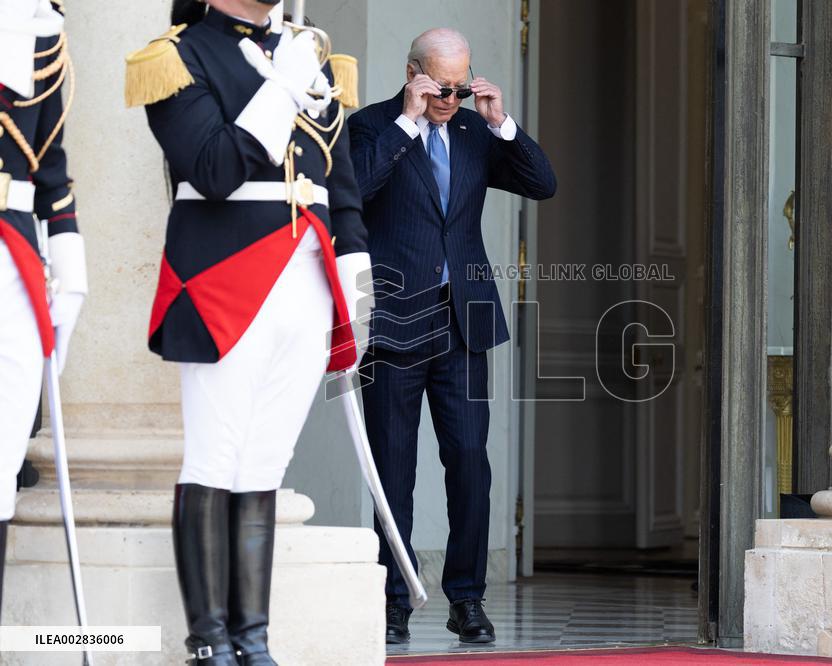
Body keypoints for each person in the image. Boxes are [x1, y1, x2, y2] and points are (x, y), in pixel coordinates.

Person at [126, 1, 370, 663]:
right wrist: (283, 85)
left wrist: (358, 276)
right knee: (215, 454)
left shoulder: (312, 51)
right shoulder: (176, 57)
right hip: (224, 277)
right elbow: (213, 171)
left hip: (308, 277)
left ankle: (252, 640)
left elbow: (339, 182)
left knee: (265, 462)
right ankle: (208, 642)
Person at [348, 27, 556, 645]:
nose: (450, 99)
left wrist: (501, 123)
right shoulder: (371, 126)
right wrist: (407, 124)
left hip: (463, 321)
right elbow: (352, 192)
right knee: (394, 466)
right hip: (393, 320)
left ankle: (467, 598)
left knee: (469, 461)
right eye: (441, 87)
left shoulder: (472, 129)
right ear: (413, 73)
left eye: (460, 88)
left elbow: (542, 183)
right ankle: (393, 599)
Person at [0, 0, 87, 615]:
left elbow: (50, 168)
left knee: (1, 454)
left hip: (14, 254)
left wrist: (70, 267)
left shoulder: (39, 35)